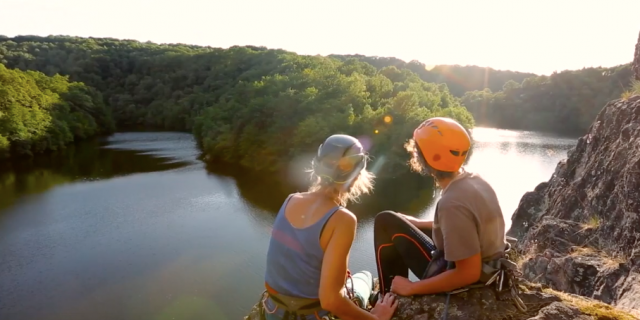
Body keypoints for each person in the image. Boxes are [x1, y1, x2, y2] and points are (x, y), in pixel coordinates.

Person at [259, 134, 398, 320]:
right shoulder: (342, 219)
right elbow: (331, 301)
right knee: (364, 277)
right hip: (311, 315)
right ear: (356, 175)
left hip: (273, 312)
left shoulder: (291, 200)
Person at [373, 117, 511, 298]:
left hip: (472, 274)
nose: (415, 153)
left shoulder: (451, 203)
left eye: (417, 149)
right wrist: (417, 223)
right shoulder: (475, 180)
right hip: (490, 262)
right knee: (395, 221)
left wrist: (412, 288)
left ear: (426, 157)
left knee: (385, 221)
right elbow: (464, 227)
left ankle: (386, 298)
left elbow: (468, 273)